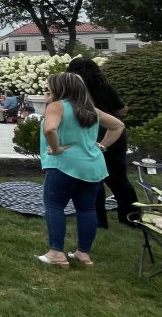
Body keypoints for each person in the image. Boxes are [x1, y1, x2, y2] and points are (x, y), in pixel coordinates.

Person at [37, 73, 124, 269]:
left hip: (64, 165)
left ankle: (56, 253)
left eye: (51, 86)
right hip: (92, 166)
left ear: (61, 88)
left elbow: (50, 129)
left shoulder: (57, 106)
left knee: (54, 206)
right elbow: (118, 125)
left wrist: (57, 149)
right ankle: (83, 253)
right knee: (87, 209)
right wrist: (101, 146)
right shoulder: (91, 110)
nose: (48, 89)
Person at [66, 57, 138, 227]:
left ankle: (99, 220)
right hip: (115, 134)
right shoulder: (105, 86)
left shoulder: (75, 90)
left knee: (93, 180)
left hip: (91, 136)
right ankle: (131, 218)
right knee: (119, 180)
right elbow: (123, 110)